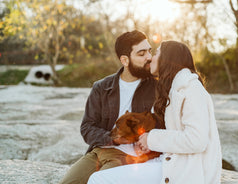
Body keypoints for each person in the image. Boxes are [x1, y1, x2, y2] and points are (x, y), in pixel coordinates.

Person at [88, 40, 222, 184]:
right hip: (170, 161)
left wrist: (152, 139)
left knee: (99, 179)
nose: (151, 58)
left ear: (168, 59)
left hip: (188, 169)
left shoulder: (192, 89)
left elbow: (197, 140)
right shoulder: (171, 90)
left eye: (156, 53)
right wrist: (147, 144)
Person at [59, 30, 158, 184]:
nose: (149, 58)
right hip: (99, 151)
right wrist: (115, 139)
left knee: (100, 182)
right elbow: (87, 127)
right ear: (125, 60)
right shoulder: (102, 87)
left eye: (149, 51)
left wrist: (150, 140)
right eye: (141, 53)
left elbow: (166, 124)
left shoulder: (157, 87)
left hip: (131, 158)